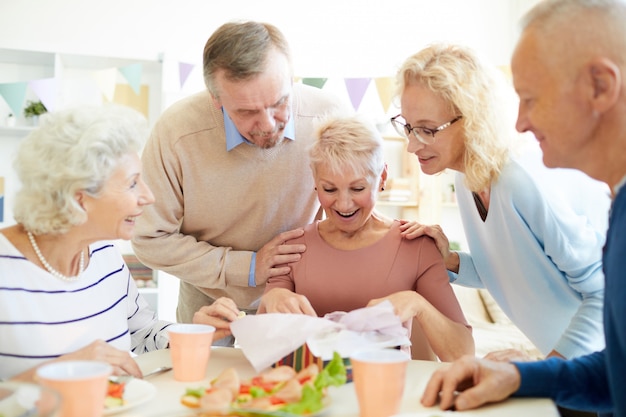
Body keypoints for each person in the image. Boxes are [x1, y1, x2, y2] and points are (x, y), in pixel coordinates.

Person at [420, 0, 626, 415]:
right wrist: (520, 376)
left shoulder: (522, 179)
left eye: (531, 98)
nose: (519, 123)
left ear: (601, 87)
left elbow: (595, 297)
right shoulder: (619, 204)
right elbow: (616, 373)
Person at [131, 21, 352, 345]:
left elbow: (355, 205)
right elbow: (149, 238)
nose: (267, 124)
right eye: (247, 111)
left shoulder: (330, 116)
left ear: (291, 80)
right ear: (216, 99)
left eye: (279, 103)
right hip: (210, 301)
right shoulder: (176, 133)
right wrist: (246, 267)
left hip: (299, 297)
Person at [394, 42, 611, 363]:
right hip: (576, 365)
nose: (412, 145)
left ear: (473, 119)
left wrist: (547, 369)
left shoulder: (521, 180)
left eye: (427, 130)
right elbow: (509, 271)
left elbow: (603, 291)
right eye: (409, 127)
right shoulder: (467, 180)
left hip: (602, 365)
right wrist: (450, 260)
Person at [0, 105, 237, 382]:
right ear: (80, 198)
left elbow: (142, 332)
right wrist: (61, 372)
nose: (148, 197)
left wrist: (192, 333)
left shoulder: (104, 254)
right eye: (133, 184)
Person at [258, 115, 474, 362]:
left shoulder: (417, 245)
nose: (344, 203)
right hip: (313, 394)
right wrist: (270, 299)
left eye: (358, 188)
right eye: (329, 189)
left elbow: (463, 352)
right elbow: (264, 348)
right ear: (314, 179)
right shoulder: (293, 247)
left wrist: (417, 304)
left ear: (381, 177)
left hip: (391, 391)